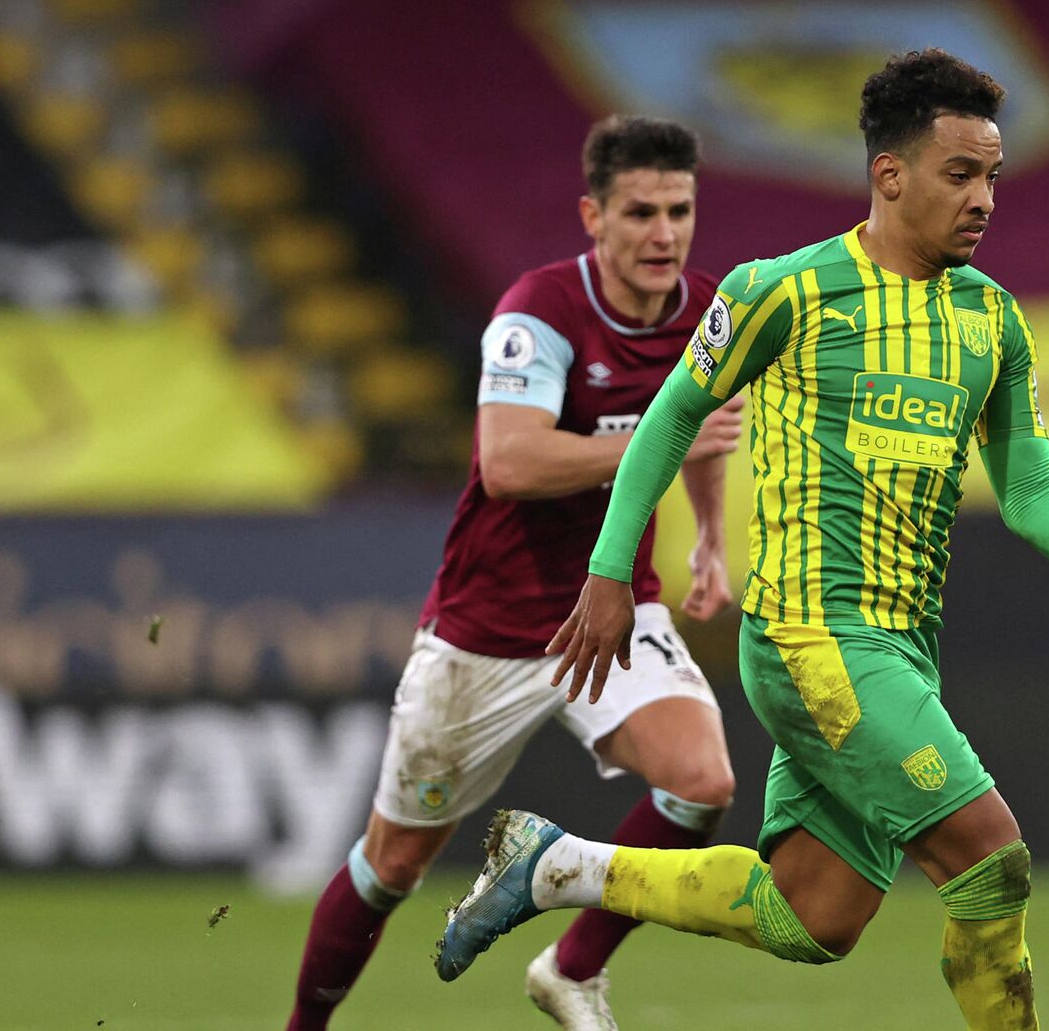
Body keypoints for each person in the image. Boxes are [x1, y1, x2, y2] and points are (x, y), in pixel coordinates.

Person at [433, 50, 1049, 1030]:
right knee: (992, 862)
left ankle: (558, 866)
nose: (984, 198)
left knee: (811, 917)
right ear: (889, 175)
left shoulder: (992, 320)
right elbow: (669, 419)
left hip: (899, 650)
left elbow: (1030, 494)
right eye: (960, 174)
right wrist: (609, 569)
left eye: (993, 176)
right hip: (812, 637)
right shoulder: (786, 291)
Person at [285, 115, 745, 1031]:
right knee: (393, 869)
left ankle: (569, 971)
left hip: (610, 608)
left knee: (702, 783)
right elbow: (511, 463)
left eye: (680, 211)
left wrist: (709, 540)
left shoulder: (708, 312)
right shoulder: (535, 314)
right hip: (487, 633)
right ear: (593, 216)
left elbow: (704, 424)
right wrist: (647, 436)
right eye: (641, 212)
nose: (664, 233)